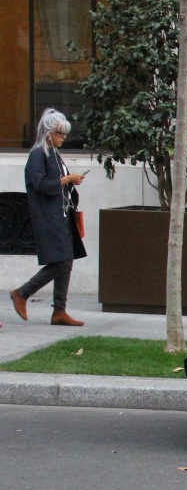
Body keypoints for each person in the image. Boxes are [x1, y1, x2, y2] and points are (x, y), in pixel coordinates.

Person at [12, 109, 87, 327]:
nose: (63, 137)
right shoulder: (38, 154)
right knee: (62, 262)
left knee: (67, 259)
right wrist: (66, 179)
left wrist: (71, 181)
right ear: (48, 133)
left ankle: (59, 310)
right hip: (48, 216)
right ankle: (22, 293)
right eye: (59, 133)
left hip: (61, 214)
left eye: (64, 133)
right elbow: (41, 185)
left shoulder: (52, 153)